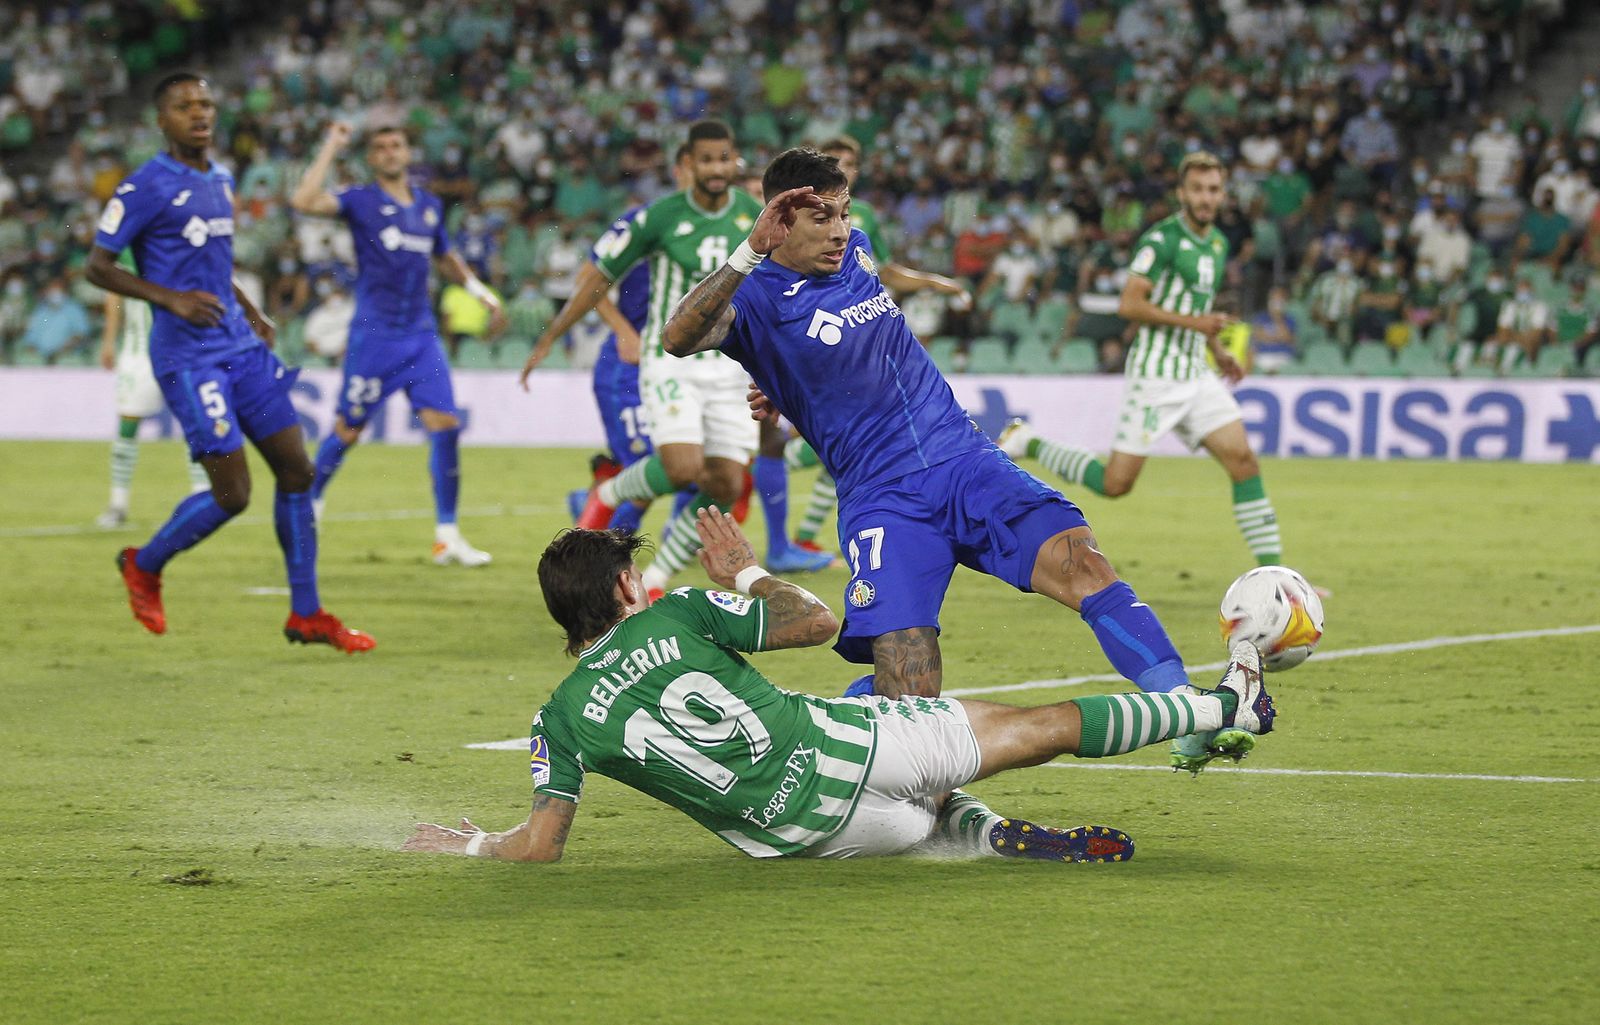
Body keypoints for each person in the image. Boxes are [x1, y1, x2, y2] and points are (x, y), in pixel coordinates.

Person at [657, 147, 1246, 774]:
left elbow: (845, 345)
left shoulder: (857, 252)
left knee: (1082, 562)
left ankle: (1185, 714)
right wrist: (749, 256)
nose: (839, 231)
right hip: (883, 498)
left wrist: (792, 386)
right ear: (778, 222)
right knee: (912, 698)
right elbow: (677, 337)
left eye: (845, 213)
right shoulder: (757, 296)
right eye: (820, 217)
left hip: (964, 458)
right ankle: (822, 736)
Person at [402, 509, 1274, 862]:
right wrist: (744, 573)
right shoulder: (677, 617)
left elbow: (542, 844)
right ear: (625, 589)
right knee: (1031, 725)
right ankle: (1227, 701)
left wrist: (474, 844)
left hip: (809, 837)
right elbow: (820, 622)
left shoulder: (555, 718)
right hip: (843, 753)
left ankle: (983, 831)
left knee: (910, 785)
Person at [86, 73, 373, 650]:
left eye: (206, 104)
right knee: (232, 493)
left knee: (297, 470)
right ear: (161, 120)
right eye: (183, 106)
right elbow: (98, 265)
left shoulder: (221, 177)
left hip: (239, 346)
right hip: (189, 357)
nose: (199, 114)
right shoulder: (145, 184)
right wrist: (170, 299)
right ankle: (144, 563)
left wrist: (251, 309)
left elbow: (214, 267)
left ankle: (307, 614)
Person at [999, 152, 1293, 572]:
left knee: (1244, 462)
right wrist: (1198, 322)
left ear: (1223, 193)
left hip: (1195, 371)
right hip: (1156, 375)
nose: (1206, 198)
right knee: (1116, 483)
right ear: (1181, 193)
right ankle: (1030, 442)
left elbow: (1196, 308)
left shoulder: (1218, 242)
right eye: (1197, 189)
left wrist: (1219, 350)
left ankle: (1276, 577)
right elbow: (1130, 303)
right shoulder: (1162, 241)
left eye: (1213, 189)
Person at [521, 120, 766, 599]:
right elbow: (597, 276)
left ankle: (654, 583)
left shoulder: (754, 217)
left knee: (725, 483)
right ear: (688, 165)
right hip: (671, 357)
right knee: (681, 469)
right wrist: (553, 334)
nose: (717, 168)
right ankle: (607, 492)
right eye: (707, 159)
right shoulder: (658, 217)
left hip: (729, 365)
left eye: (724, 159)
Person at [290, 121, 506, 567]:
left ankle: (447, 537)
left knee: (445, 426)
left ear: (409, 153)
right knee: (348, 429)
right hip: (375, 336)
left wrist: (483, 295)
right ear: (372, 158)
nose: (390, 152)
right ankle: (307, 503)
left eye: (397, 145)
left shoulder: (428, 206)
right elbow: (303, 200)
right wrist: (331, 144)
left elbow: (445, 256)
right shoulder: (360, 200)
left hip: (421, 337)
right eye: (382, 147)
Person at [776, 134, 974, 563]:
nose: (843, 169)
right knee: (812, 446)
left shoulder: (860, 224)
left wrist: (934, 282)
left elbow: (883, 272)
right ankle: (754, 482)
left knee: (847, 449)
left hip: (857, 351)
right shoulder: (791, 221)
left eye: (850, 163)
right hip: (813, 345)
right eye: (835, 162)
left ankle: (804, 533)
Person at [96, 250, 210, 529]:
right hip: (138, 355)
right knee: (128, 426)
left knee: (194, 425)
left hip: (179, 353)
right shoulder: (128, 249)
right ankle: (118, 505)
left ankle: (202, 500)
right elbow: (114, 297)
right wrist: (109, 341)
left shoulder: (181, 243)